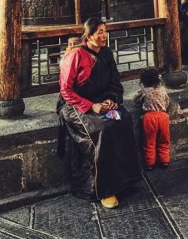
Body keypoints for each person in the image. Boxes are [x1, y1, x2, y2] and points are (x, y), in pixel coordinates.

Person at [58, 17, 141, 208]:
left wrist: (111, 99)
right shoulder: (76, 55)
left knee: (124, 119)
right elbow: (66, 90)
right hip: (75, 105)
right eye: (100, 32)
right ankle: (104, 189)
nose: (104, 35)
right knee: (102, 128)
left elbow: (115, 81)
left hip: (101, 101)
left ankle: (126, 180)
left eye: (105, 31)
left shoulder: (106, 53)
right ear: (88, 36)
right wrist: (91, 106)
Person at [133, 68, 170, 170]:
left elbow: (135, 101)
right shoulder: (163, 91)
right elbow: (167, 103)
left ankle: (150, 163)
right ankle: (165, 161)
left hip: (149, 118)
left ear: (143, 81)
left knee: (149, 141)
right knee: (164, 140)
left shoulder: (144, 91)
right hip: (163, 117)